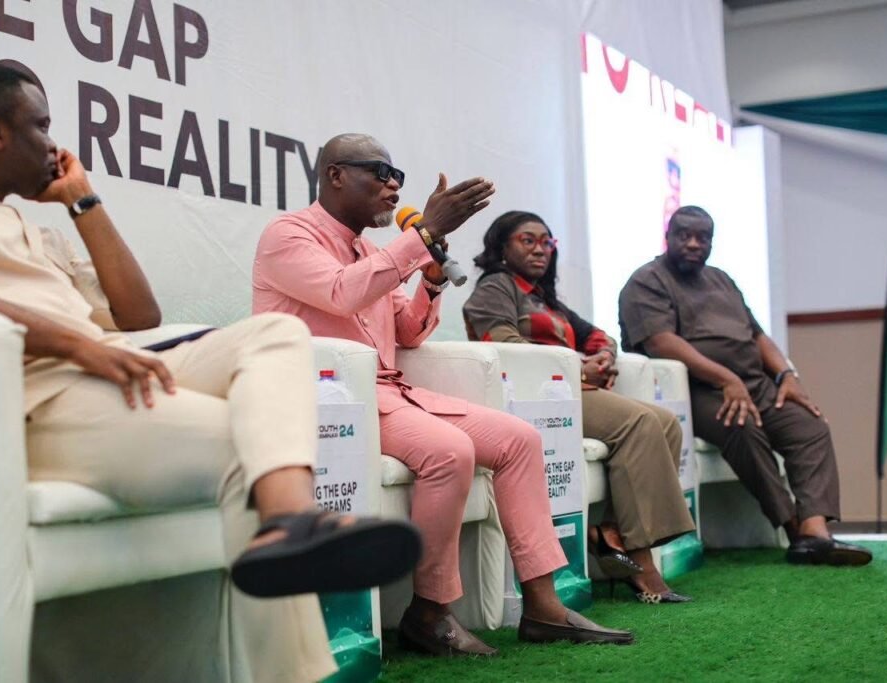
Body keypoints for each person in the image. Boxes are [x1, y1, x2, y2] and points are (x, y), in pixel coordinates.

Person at [0, 63, 421, 683]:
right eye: (41, 126)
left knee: (278, 335)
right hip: (39, 398)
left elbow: (139, 315)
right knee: (245, 448)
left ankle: (289, 520)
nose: (54, 147)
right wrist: (79, 346)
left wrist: (82, 200)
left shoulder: (36, 233)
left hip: (109, 372)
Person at [253, 133, 633, 656]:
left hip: (390, 394)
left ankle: (544, 606)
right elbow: (341, 293)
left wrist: (429, 281)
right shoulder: (288, 234)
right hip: (334, 401)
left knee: (520, 439)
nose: (393, 186)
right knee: (450, 451)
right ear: (335, 175)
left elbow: (407, 333)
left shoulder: (371, 251)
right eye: (380, 173)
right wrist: (423, 234)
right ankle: (429, 612)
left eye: (397, 176)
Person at [618, 205, 872, 566]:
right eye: (684, 235)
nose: (694, 244)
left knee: (809, 426)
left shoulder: (721, 280)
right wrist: (727, 379)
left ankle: (816, 531)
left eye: (703, 237)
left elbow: (757, 336)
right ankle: (794, 529)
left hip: (754, 383)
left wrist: (787, 376)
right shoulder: (646, 281)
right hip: (696, 390)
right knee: (742, 426)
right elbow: (661, 342)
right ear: (668, 236)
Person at [464, 210, 696, 603]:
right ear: (502, 247)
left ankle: (612, 532)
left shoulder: (543, 298)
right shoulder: (495, 288)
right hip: (535, 396)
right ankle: (641, 562)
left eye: (547, 242)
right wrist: (576, 367)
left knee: (665, 422)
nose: (540, 249)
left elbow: (599, 336)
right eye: (528, 240)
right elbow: (503, 345)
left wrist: (602, 357)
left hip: (570, 391)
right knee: (640, 422)